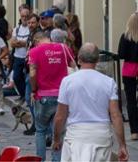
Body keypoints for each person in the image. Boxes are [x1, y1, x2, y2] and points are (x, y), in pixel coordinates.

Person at [52, 43, 128, 162]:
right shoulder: (109, 82)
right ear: (97, 60)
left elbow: (60, 116)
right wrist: (122, 145)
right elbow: (115, 115)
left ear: (79, 58)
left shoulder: (67, 82)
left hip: (76, 136)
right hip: (100, 135)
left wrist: (56, 139)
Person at [28, 30, 74, 161]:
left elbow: (32, 73)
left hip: (43, 96)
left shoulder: (34, 52)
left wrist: (33, 89)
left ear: (37, 41)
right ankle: (57, 160)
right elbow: (73, 67)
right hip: (62, 97)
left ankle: (40, 159)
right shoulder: (64, 48)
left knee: (41, 130)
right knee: (59, 132)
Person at [119, 13, 138, 141]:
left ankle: (134, 131)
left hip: (129, 70)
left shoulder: (125, 36)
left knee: (131, 102)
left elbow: (121, 54)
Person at [11, 5, 32, 101]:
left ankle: (27, 97)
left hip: (28, 57)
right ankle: (23, 95)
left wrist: (20, 43)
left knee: (28, 79)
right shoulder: (17, 29)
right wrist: (22, 43)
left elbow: (29, 43)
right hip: (18, 57)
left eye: (26, 16)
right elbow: (12, 43)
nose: (24, 18)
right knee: (16, 77)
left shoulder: (31, 28)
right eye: (22, 16)